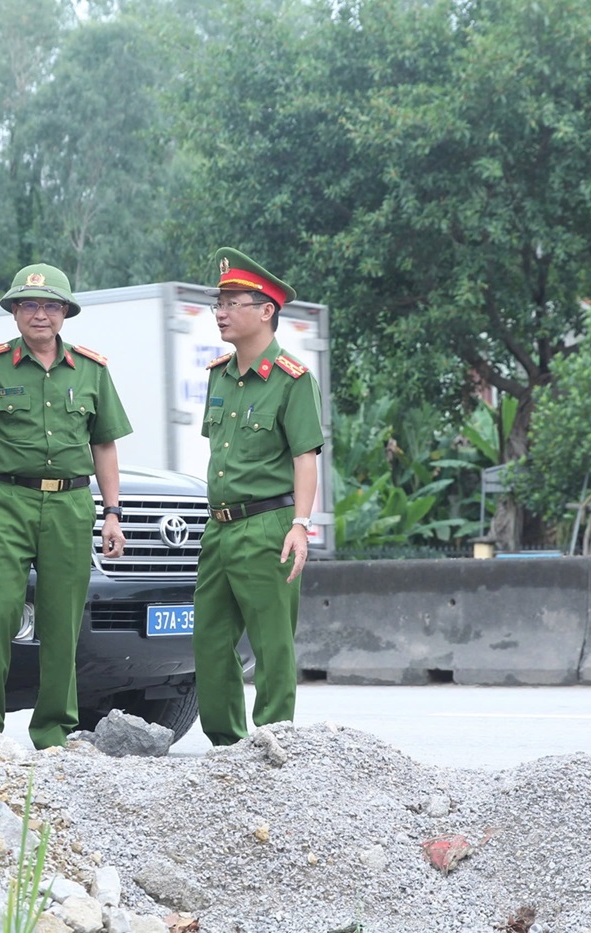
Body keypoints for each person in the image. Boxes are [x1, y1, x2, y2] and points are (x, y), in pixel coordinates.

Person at [0, 264, 132, 749]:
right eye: (29, 305)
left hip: (71, 504)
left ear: (66, 313)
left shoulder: (91, 370)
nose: (40, 315)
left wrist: (113, 512)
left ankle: (53, 729)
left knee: (62, 619)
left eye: (50, 305)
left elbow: (104, 445)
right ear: (14, 312)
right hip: (8, 500)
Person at [194, 247, 324, 746]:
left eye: (232, 302)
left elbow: (305, 458)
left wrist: (300, 526)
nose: (221, 313)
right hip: (219, 527)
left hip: (269, 525)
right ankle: (227, 746)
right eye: (218, 303)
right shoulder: (218, 376)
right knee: (208, 640)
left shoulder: (292, 379)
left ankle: (274, 744)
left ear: (265, 310)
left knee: (272, 645)